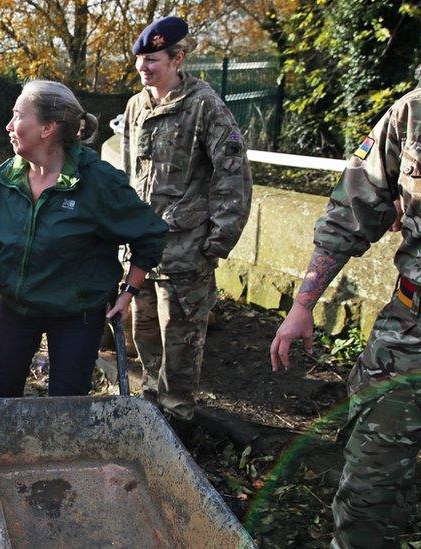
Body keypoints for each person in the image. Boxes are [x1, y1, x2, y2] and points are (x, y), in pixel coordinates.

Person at [269, 35, 421, 549]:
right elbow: (350, 211)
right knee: (371, 478)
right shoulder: (419, 113)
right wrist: (303, 304)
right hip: (419, 332)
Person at [0, 80, 167, 400]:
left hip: (77, 313)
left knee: (68, 401)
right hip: (18, 307)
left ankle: (60, 451)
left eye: (18, 116)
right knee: (1, 393)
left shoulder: (97, 181)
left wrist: (129, 291)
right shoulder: (7, 177)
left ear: (47, 128)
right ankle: (3, 449)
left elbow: (151, 233)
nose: (8, 125)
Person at [119, 16, 252, 423]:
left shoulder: (205, 106)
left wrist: (216, 243)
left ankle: (178, 421)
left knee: (180, 342)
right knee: (143, 333)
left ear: (177, 59)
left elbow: (234, 175)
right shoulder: (135, 106)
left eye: (153, 59)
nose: (144, 67)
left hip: (185, 251)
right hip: (142, 251)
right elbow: (129, 174)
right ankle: (148, 412)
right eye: (140, 59)